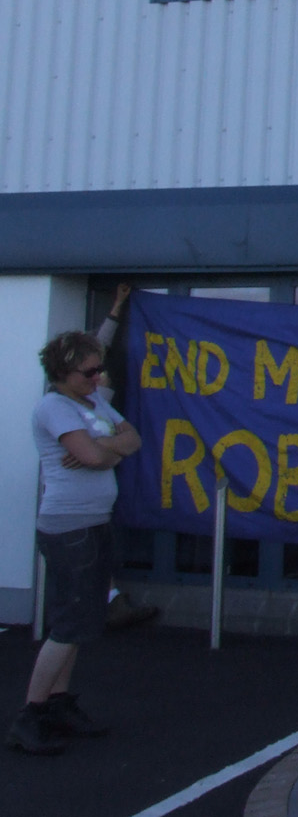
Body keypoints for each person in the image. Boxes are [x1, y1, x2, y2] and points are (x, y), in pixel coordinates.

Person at [10, 288, 140, 756]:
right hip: (69, 528)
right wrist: (105, 450)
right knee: (68, 623)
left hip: (95, 521)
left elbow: (132, 439)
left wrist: (102, 450)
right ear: (64, 373)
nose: (97, 377)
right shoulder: (54, 408)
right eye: (89, 372)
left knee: (82, 621)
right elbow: (94, 453)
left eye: (98, 369)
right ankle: (31, 713)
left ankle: (58, 703)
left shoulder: (93, 405)